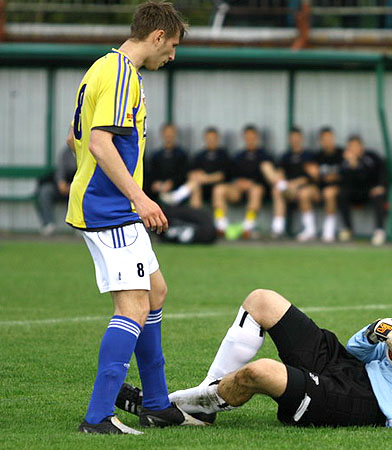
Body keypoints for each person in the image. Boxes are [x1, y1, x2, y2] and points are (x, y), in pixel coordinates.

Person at [65, 1, 207, 434]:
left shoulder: (103, 68)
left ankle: (158, 404)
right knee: (133, 306)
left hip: (110, 205)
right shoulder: (123, 74)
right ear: (158, 36)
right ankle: (98, 417)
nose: (174, 55)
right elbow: (100, 144)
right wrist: (139, 198)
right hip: (110, 210)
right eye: (174, 45)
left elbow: (79, 135)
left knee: (156, 292)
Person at [118, 288, 392, 428]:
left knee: (261, 372)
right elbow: (357, 350)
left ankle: (167, 405)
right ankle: (202, 402)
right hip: (349, 368)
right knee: (262, 300)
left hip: (363, 404)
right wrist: (378, 331)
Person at [212, 125, 279, 238]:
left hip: (256, 190)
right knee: (218, 189)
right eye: (247, 137)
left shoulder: (265, 155)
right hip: (238, 190)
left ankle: (248, 227)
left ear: (257, 137)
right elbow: (229, 175)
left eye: (252, 137)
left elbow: (268, 178)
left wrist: (251, 183)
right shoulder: (238, 156)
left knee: (256, 190)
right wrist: (237, 182)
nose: (250, 140)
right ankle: (221, 226)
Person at [162, 126, 230, 209]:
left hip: (220, 188)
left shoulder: (223, 155)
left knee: (218, 190)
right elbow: (190, 173)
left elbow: (223, 175)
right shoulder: (200, 156)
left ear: (218, 138)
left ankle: (220, 220)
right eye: (209, 138)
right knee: (194, 186)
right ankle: (196, 218)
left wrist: (205, 178)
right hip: (202, 188)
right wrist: (196, 175)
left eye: (213, 138)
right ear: (205, 139)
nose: (211, 140)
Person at [271, 127, 319, 241]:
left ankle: (310, 229)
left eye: (297, 137)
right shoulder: (285, 156)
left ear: (301, 138)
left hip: (309, 189)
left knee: (304, 193)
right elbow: (280, 173)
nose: (295, 140)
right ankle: (278, 228)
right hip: (291, 190)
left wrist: (296, 183)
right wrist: (283, 182)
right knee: (277, 190)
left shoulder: (308, 155)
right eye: (292, 138)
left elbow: (313, 176)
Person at [338, 135, 388, 246]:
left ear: (361, 147)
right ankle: (347, 228)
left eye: (356, 146)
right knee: (342, 194)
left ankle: (379, 231)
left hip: (370, 191)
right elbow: (344, 181)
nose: (353, 149)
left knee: (378, 196)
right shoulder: (345, 161)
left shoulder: (371, 157)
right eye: (351, 147)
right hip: (355, 193)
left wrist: (381, 186)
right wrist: (351, 165)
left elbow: (377, 173)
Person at [35, 146, 77, 236]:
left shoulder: (87, 151)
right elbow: (60, 171)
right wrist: (61, 183)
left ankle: (80, 225)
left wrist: (73, 188)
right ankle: (48, 224)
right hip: (63, 187)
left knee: (83, 195)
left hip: (78, 188)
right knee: (45, 191)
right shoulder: (66, 152)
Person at [145, 123, 189, 204]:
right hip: (157, 191)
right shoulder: (155, 155)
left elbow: (184, 174)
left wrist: (171, 183)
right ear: (162, 134)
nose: (169, 135)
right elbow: (150, 173)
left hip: (176, 189)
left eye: (171, 133)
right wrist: (155, 184)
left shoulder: (182, 155)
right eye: (166, 133)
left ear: (175, 134)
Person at [314, 126, 344, 242]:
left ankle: (329, 228)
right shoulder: (317, 156)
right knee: (305, 194)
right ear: (320, 141)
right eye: (324, 139)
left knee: (329, 193)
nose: (327, 141)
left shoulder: (342, 154)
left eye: (329, 138)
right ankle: (310, 229)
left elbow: (346, 175)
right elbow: (313, 176)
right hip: (320, 188)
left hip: (338, 189)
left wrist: (334, 178)